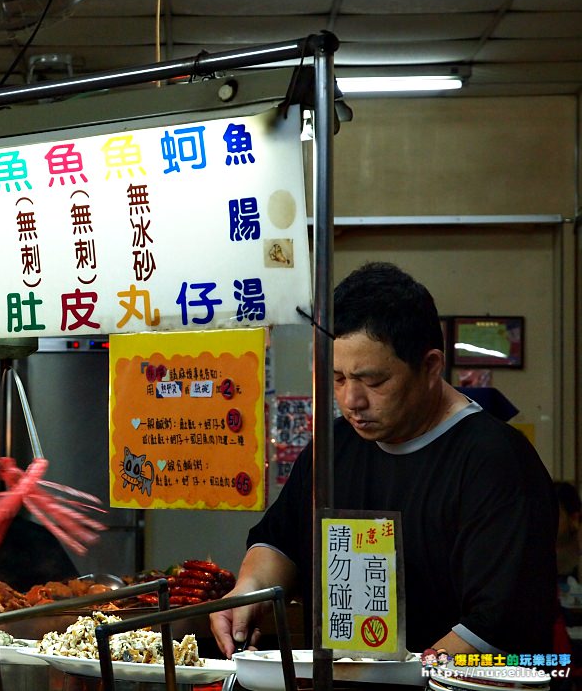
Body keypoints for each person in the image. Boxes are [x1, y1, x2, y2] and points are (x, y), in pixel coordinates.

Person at [210, 261, 558, 658]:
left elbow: (499, 622)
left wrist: (407, 678)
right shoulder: (334, 446)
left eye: (373, 382)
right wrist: (249, 591)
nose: (351, 401)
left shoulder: (495, 462)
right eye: (338, 378)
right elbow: (281, 539)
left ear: (430, 367)